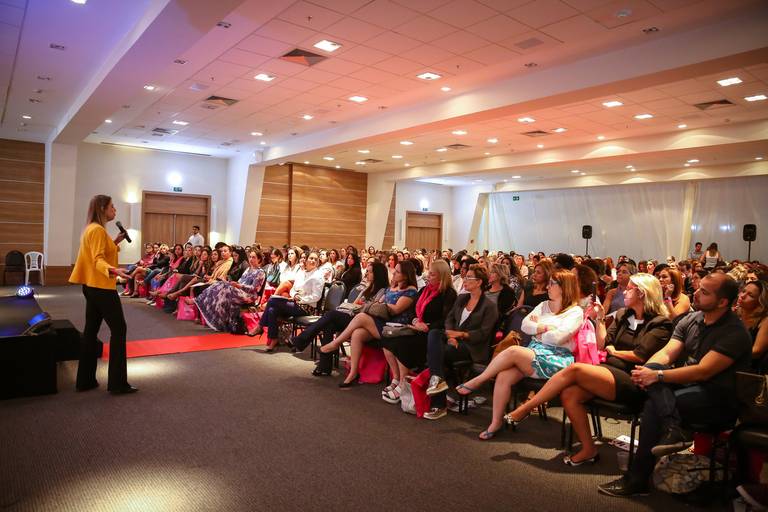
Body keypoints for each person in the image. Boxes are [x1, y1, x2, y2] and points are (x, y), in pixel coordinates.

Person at [597, 273, 751, 498]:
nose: (696, 293)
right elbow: (668, 352)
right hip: (685, 386)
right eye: (699, 288)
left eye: (704, 292)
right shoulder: (692, 319)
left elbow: (703, 371)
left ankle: (638, 478)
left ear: (722, 302)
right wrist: (647, 371)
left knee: (653, 405)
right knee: (654, 382)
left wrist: (657, 376)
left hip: (716, 397)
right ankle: (672, 429)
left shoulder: (734, 332)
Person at [505, 273, 673, 465]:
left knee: (576, 369)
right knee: (569, 394)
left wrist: (615, 352)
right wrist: (600, 319)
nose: (624, 292)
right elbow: (603, 344)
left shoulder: (661, 323)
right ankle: (589, 449)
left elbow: (640, 355)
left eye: (629, 289)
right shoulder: (623, 315)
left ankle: (526, 408)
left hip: (634, 379)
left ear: (642, 293)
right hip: (608, 371)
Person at [457, 270, 583, 440]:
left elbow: (558, 338)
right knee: (504, 375)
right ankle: (496, 422)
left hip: (556, 358)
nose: (547, 287)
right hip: (534, 352)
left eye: (552, 284)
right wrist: (544, 328)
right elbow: (525, 326)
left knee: (514, 351)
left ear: (564, 287)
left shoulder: (575, 312)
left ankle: (479, 380)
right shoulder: (544, 305)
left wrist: (538, 331)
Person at [69, 195, 136, 395]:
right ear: (102, 208)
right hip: (102, 288)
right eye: (112, 206)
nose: (115, 210)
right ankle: (117, 383)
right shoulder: (98, 230)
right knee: (119, 329)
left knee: (90, 331)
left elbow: (99, 254)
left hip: (91, 286)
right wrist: (114, 270)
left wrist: (115, 241)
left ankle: (85, 380)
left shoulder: (90, 228)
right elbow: (97, 259)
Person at [320, 260, 419, 388]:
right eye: (395, 270)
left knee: (361, 316)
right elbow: (378, 303)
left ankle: (336, 343)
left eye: (398, 271)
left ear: (406, 275)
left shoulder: (411, 291)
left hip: (394, 328)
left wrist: (380, 305)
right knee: (357, 333)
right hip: (382, 322)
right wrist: (378, 304)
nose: (394, 273)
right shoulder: (391, 287)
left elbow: (396, 309)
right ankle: (353, 373)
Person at [423, 264, 498, 419]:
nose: (465, 280)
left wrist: (461, 334)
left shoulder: (489, 306)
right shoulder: (462, 298)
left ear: (479, 282)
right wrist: (451, 337)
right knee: (434, 334)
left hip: (472, 348)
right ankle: (437, 383)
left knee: (437, 353)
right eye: (465, 277)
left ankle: (438, 401)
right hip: (453, 341)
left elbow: (483, 334)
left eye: (469, 277)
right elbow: (449, 319)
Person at [291, 262, 390, 375]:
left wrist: (362, 307)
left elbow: (373, 310)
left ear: (378, 274)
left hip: (365, 322)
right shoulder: (366, 288)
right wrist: (360, 306)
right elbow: (355, 305)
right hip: (354, 317)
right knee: (329, 325)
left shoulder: (383, 291)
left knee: (331, 315)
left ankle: (302, 340)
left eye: (369, 272)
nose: (366, 274)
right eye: (366, 271)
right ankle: (324, 367)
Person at [381, 260, 457, 405]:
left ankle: (403, 384)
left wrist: (427, 326)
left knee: (402, 344)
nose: (428, 277)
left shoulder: (449, 294)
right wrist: (415, 321)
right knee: (387, 339)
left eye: (432, 275)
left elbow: (447, 319)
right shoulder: (424, 291)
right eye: (429, 273)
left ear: (441, 276)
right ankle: (396, 378)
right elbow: (412, 310)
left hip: (433, 334)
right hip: (417, 328)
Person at [250, 252, 325, 351]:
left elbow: (317, 296)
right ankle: (273, 339)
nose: (313, 261)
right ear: (306, 260)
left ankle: (260, 326)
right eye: (311, 258)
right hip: (296, 303)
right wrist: (295, 295)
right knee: (272, 310)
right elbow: (293, 289)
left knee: (272, 300)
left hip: (307, 308)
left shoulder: (318, 276)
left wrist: (301, 299)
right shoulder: (301, 273)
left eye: (315, 259)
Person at [196, 250, 266, 333]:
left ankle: (202, 302)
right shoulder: (248, 269)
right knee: (220, 284)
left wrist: (239, 286)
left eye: (253, 257)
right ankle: (216, 317)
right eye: (250, 257)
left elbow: (255, 288)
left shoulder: (260, 272)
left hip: (249, 295)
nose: (251, 259)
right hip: (239, 291)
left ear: (259, 259)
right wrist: (231, 283)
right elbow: (240, 281)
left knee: (226, 289)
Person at [736, 280, 768, 372]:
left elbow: (757, 351)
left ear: (760, 302)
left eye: (750, 295)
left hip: (750, 369)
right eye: (743, 291)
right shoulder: (735, 313)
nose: (743, 296)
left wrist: (729, 355)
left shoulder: (765, 320)